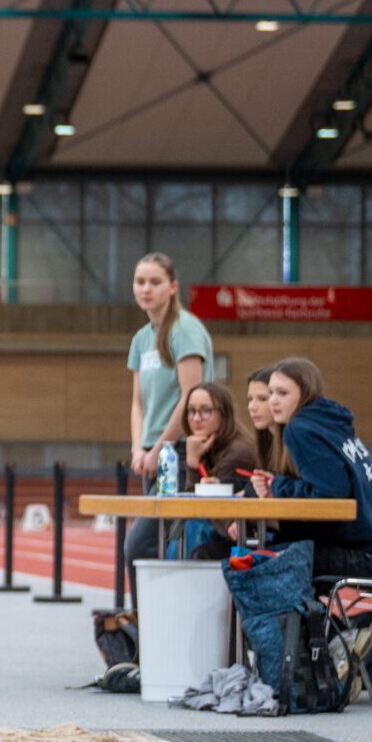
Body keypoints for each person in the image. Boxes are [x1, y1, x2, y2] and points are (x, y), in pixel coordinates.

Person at [249, 358, 372, 579]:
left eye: (282, 393)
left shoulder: (299, 428)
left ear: (305, 393)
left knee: (258, 564)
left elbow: (331, 494)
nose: (273, 401)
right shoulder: (329, 423)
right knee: (281, 549)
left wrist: (277, 485)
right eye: (272, 393)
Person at [124, 252, 213, 593]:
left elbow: (191, 397)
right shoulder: (141, 338)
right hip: (152, 454)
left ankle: (150, 630)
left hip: (178, 452)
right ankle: (150, 630)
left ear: (173, 287)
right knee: (157, 547)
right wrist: (138, 447)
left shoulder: (185, 330)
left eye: (155, 282)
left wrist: (159, 448)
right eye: (140, 281)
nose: (146, 289)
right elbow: (138, 401)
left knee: (141, 546)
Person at [178, 382, 257, 560]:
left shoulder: (238, 452)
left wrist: (192, 462)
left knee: (191, 526)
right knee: (177, 529)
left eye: (206, 410)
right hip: (225, 527)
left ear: (224, 414)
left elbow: (199, 505)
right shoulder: (206, 445)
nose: (196, 418)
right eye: (191, 411)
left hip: (247, 533)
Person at [245, 365, 284, 474]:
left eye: (262, 399)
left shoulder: (296, 441)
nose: (252, 407)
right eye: (250, 399)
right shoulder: (265, 439)